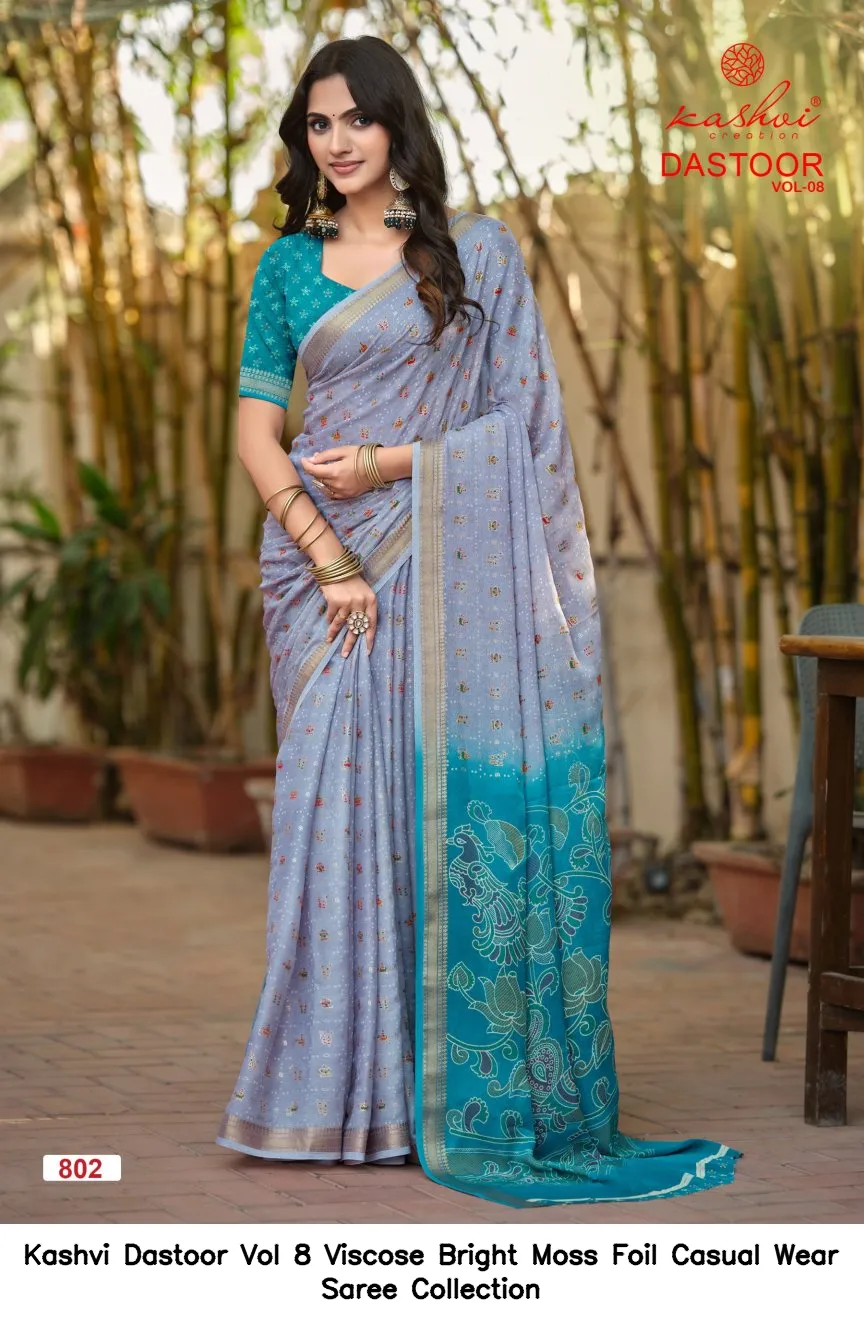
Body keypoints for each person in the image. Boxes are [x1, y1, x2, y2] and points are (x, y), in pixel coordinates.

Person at [216, 33, 740, 1207]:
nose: (337, 142)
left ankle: (442, 1091)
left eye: (357, 118)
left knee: (432, 812)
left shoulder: (475, 256)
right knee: (334, 820)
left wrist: (394, 463)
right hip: (326, 579)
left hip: (447, 562)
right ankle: (336, 1095)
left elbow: (520, 430)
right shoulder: (286, 269)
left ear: (397, 122)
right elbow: (258, 434)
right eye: (317, 124)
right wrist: (330, 558)